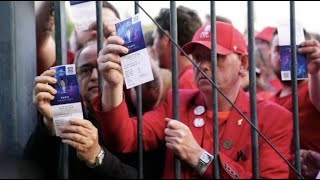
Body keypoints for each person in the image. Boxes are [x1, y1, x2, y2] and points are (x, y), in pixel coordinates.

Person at [93, 21, 294, 178]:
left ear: (243, 63)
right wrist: (113, 84)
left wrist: (200, 158)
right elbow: (123, 139)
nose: (203, 65)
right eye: (197, 57)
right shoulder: (177, 102)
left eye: (214, 56)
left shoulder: (274, 118)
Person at [23, 43, 138, 179]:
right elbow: (28, 171)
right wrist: (49, 126)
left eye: (102, 67)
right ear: (75, 78)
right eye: (86, 70)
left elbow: (141, 174)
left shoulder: (134, 121)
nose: (95, 76)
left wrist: (98, 156)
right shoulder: (65, 118)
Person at [269, 29, 320, 178]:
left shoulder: (313, 90)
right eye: (278, 49)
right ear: (269, 55)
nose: (285, 55)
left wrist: (316, 73)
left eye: (294, 49)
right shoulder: (266, 103)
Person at [152, 6, 202, 89]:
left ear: (166, 38)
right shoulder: (191, 77)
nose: (153, 47)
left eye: (155, 39)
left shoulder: (186, 83)